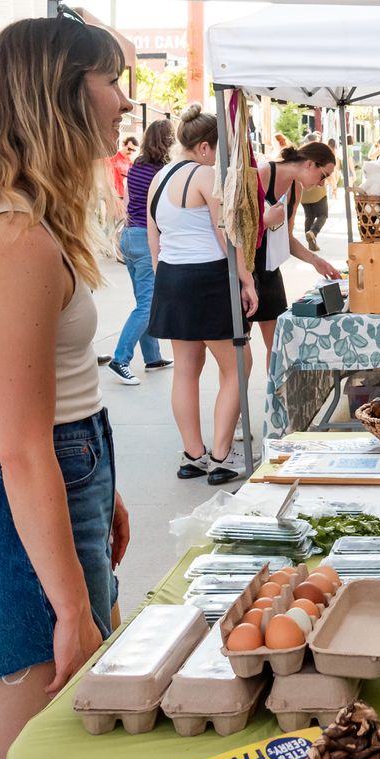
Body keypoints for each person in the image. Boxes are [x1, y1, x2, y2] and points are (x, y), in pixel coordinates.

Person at [0, 15, 133, 759]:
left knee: (76, 752)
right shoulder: (16, 239)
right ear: (59, 95)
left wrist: (100, 488)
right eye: (109, 82)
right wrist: (73, 610)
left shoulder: (32, 222)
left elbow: (52, 411)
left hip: (60, 485)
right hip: (17, 523)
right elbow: (18, 444)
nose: (123, 102)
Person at [150, 106, 258, 484]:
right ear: (206, 147)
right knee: (238, 366)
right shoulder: (206, 174)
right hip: (208, 278)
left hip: (171, 277)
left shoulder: (159, 177)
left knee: (185, 369)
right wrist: (246, 279)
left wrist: (165, 281)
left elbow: (155, 241)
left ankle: (193, 455)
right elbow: (226, 233)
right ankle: (222, 455)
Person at [249, 143, 344, 381]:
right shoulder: (261, 173)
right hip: (245, 267)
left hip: (270, 268)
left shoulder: (295, 188)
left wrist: (315, 260)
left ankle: (276, 400)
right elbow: (237, 227)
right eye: (323, 175)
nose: (322, 183)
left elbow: (287, 237)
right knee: (239, 348)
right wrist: (265, 220)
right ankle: (238, 411)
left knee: (277, 344)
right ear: (310, 164)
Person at [104, 119, 174, 384]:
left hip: (130, 236)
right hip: (147, 239)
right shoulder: (164, 172)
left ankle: (152, 356)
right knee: (148, 304)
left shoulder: (136, 167)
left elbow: (129, 201)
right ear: (167, 142)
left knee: (145, 301)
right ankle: (120, 359)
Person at [109, 136, 137, 203]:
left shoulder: (130, 162)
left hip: (121, 195)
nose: (130, 152)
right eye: (129, 149)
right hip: (111, 193)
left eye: (133, 150)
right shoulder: (113, 157)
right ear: (123, 145)